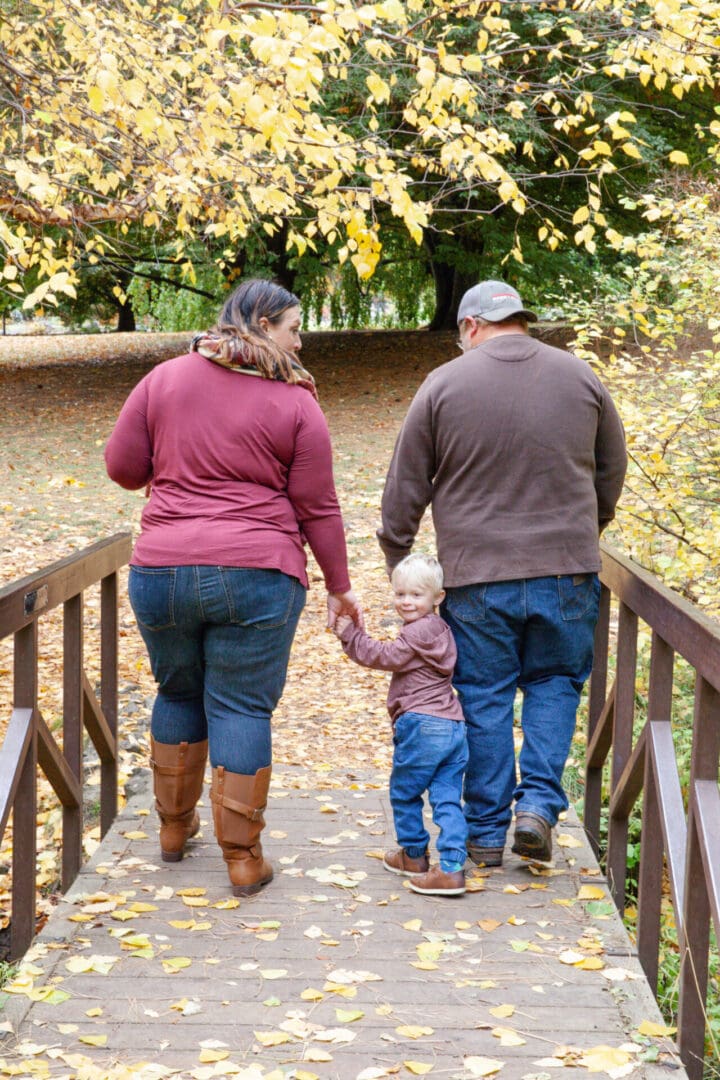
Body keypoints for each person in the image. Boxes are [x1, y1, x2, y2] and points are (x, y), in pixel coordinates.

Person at [105, 278, 362, 896]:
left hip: (162, 570)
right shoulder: (296, 402)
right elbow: (317, 506)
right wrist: (339, 585)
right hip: (258, 573)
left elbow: (121, 467)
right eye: (295, 329)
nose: (301, 343)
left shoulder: (163, 380)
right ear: (264, 322)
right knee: (241, 706)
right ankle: (242, 860)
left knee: (178, 690)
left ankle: (172, 831)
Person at [377, 280, 627, 867]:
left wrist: (400, 562)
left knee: (483, 695)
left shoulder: (443, 384)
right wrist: (584, 534)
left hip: (475, 577)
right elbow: (612, 467)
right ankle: (537, 807)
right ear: (520, 319)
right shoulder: (579, 375)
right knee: (555, 683)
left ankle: (486, 834)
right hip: (566, 570)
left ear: (469, 327)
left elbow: (405, 487)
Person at [333, 553, 468, 896]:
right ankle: (451, 867)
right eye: (400, 594)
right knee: (448, 798)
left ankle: (413, 855)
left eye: (416, 595)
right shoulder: (439, 629)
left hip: (423, 725)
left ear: (437, 598)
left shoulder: (419, 630)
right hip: (453, 726)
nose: (406, 602)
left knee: (405, 792)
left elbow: (384, 656)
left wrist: (351, 634)